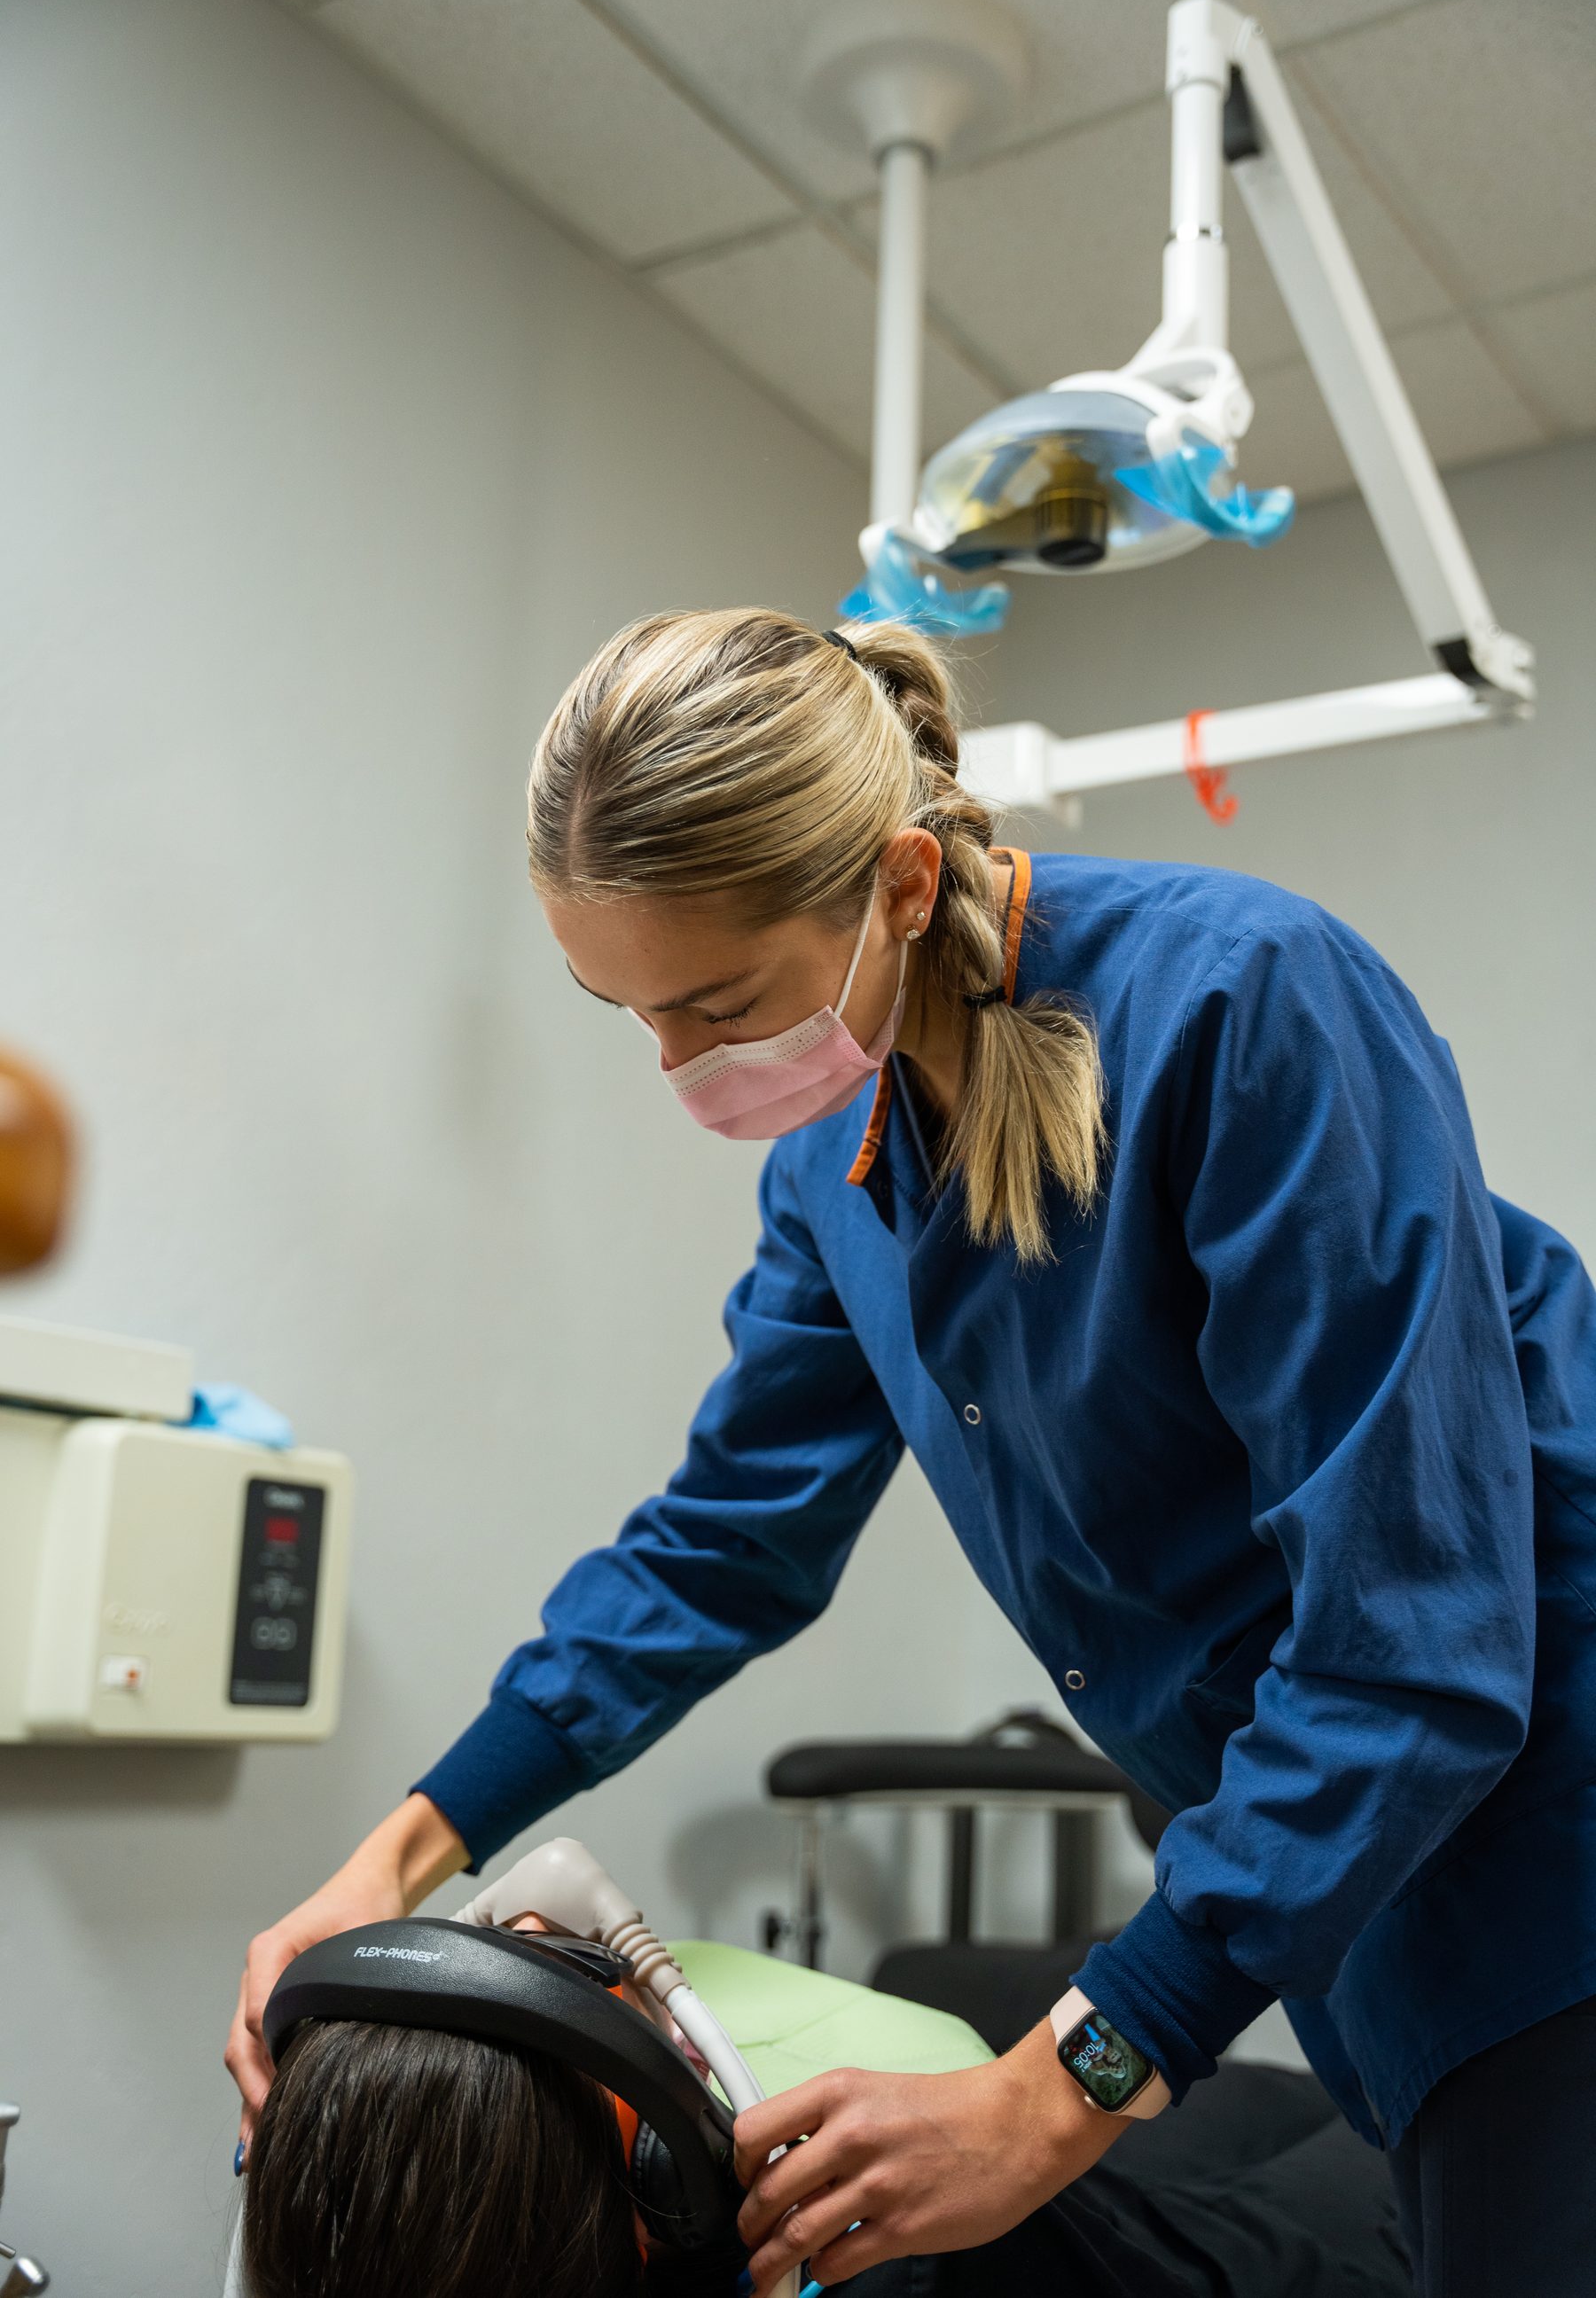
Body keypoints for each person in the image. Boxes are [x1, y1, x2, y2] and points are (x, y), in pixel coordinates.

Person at [227, 610, 1596, 2298]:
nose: (677, 1064)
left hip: (1554, 1856)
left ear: (889, 884)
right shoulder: (837, 1167)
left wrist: (1050, 2089)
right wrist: (400, 1854)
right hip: (1351, 1915)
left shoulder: (1249, 1010)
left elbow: (1418, 1651)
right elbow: (722, 1541)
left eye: (716, 999)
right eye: (626, 1009)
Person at [238, 1840, 1407, 2298]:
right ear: (664, 2191)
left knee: (1259, 2097)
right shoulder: (876, 2254)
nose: (531, 1920)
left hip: (1125, 2186)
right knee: (1374, 2141)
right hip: (1204, 2257)